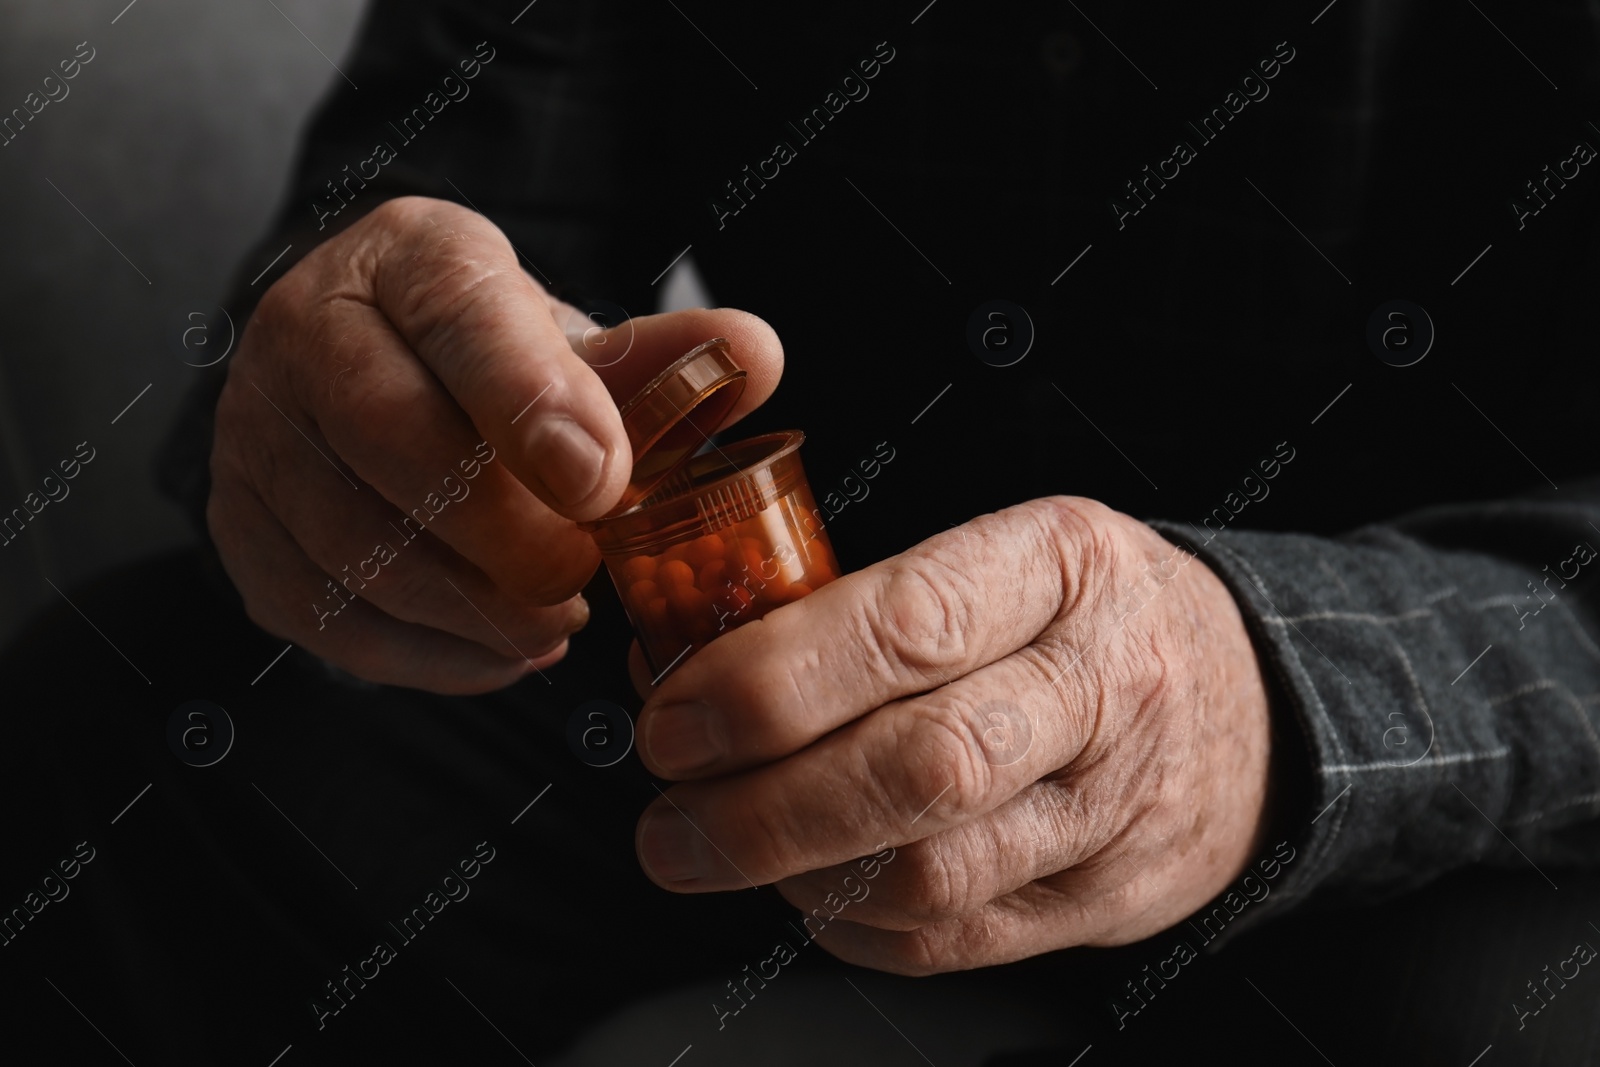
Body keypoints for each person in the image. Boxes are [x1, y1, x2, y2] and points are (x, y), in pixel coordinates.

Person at [4, 1, 1598, 1063]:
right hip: (772, 695)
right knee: (134, 730)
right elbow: (410, 231)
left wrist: (1276, 683)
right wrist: (356, 407)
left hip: (1444, 760)